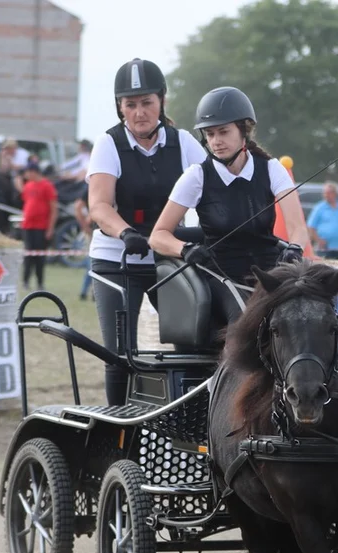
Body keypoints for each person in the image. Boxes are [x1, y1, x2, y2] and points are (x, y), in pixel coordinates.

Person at [86, 58, 208, 405]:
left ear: (162, 101)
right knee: (120, 351)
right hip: (117, 259)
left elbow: (211, 191)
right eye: (130, 105)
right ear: (120, 108)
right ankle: (118, 429)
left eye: (147, 103)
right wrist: (126, 234)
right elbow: (100, 206)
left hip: (168, 255)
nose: (139, 113)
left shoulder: (183, 143)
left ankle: (191, 420)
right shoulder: (108, 145)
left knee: (193, 343)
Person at [150, 86, 310, 326]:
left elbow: (298, 227)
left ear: (244, 130)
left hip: (270, 272)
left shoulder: (271, 168)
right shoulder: (197, 176)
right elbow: (158, 236)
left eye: (223, 132)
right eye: (210, 134)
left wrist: (295, 248)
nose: (216, 141)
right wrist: (185, 249)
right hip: (220, 276)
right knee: (246, 319)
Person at [19, 160, 57, 291]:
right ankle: (25, 281)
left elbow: (53, 209)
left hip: (41, 227)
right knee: (28, 256)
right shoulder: (28, 186)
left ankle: (40, 283)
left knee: (39, 257)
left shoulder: (47, 186)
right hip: (28, 226)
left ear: (33, 172)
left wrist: (50, 228)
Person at [306, 182, 338, 259]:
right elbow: (310, 227)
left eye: (328, 193)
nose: (326, 195)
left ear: (335, 194)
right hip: (324, 248)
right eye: (324, 193)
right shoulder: (319, 208)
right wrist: (318, 240)